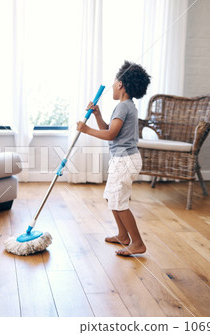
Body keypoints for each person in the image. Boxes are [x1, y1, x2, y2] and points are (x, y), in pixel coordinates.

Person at [77, 61, 151, 256]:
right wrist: (98, 116)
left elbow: (109, 136)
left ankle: (137, 243)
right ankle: (123, 235)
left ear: (120, 84)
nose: (112, 85)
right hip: (123, 159)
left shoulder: (123, 108)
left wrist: (86, 129)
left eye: (114, 82)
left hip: (124, 160)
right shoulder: (127, 107)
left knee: (119, 201)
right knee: (112, 197)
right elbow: (110, 131)